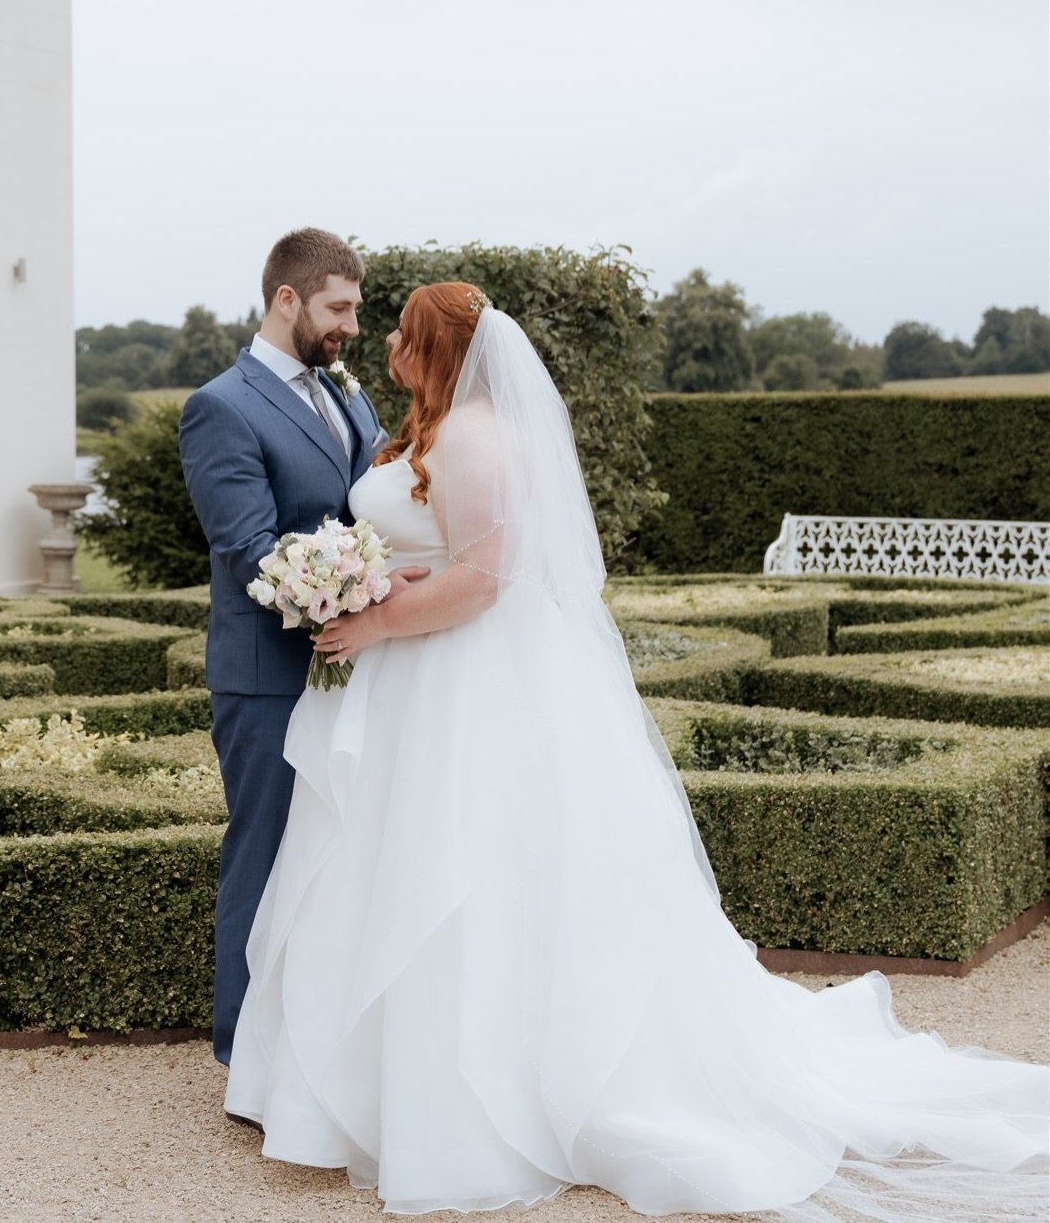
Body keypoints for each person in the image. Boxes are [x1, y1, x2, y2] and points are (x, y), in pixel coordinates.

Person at [222, 281, 1049, 1221]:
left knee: (465, 871)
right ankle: (368, 1080)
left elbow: (488, 578)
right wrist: (378, 580)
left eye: (404, 336)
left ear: (436, 348)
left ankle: (476, 1094)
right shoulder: (431, 429)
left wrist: (375, 623)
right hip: (417, 686)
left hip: (460, 686)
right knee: (393, 870)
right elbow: (447, 551)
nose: (389, 351)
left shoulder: (479, 436)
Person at [178, 229, 419, 1067]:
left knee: (334, 857)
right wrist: (364, 591)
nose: (353, 325)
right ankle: (243, 1050)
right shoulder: (222, 405)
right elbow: (248, 547)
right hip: (269, 675)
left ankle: (318, 1044)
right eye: (339, 308)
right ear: (288, 300)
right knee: (266, 852)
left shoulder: (344, 390)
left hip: (357, 666)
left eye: (355, 308)